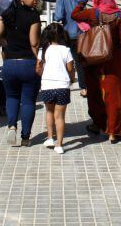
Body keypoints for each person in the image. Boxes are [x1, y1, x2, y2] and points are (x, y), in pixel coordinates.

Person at [71, 0, 121, 143]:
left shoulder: (93, 13)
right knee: (114, 97)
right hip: (112, 61)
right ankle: (113, 131)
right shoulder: (118, 15)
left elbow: (74, 15)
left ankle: (98, 125)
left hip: (93, 60)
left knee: (95, 94)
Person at [0, 0, 42, 147]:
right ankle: (25, 137)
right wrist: (40, 61)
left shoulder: (8, 14)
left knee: (12, 97)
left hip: (9, 64)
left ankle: (12, 125)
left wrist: (3, 19)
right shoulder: (33, 16)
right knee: (28, 101)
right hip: (27, 63)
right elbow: (34, 43)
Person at [37, 23, 75, 154]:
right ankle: (59, 145)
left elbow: (38, 68)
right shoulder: (66, 50)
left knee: (49, 112)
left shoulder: (43, 50)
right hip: (62, 86)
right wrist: (72, 78)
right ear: (62, 35)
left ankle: (49, 138)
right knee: (60, 117)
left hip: (47, 85)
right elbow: (70, 69)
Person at [53, 0, 87, 98]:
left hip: (67, 34)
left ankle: (65, 84)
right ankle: (84, 88)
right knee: (79, 61)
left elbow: (58, 16)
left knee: (64, 59)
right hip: (80, 33)